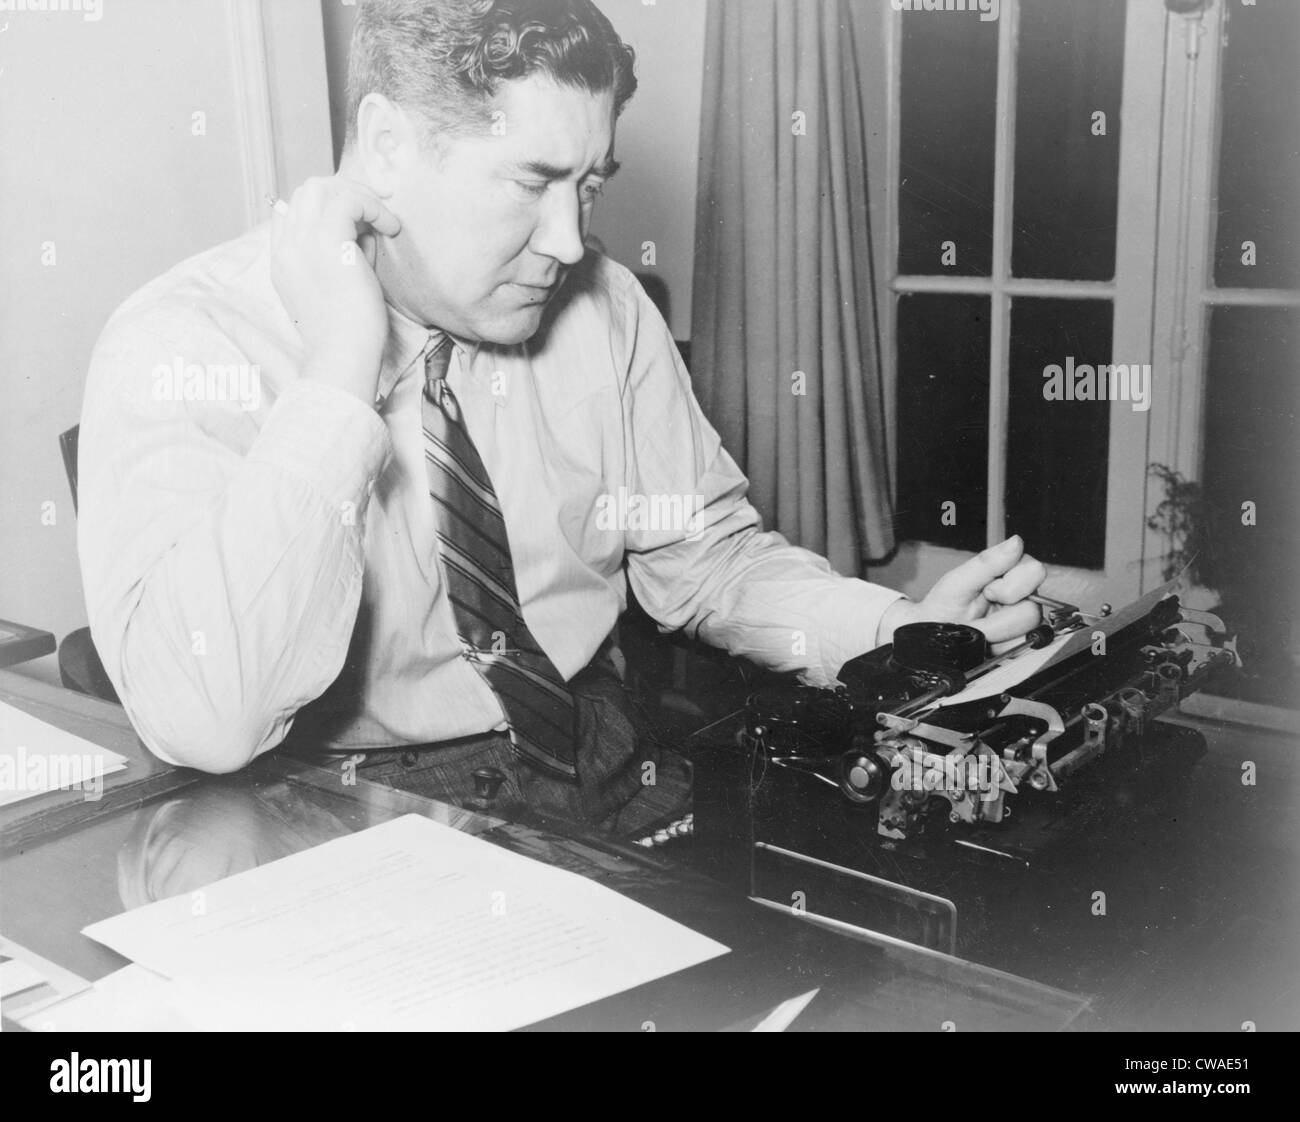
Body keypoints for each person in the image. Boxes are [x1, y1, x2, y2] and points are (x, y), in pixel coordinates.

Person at [77, 0, 1045, 837]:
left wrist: (895, 630)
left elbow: (711, 563)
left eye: (588, 186)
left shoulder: (606, 309)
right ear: (386, 148)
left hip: (607, 774)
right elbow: (205, 716)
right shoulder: (181, 345)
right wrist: (337, 374)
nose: (570, 240)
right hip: (343, 822)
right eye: (533, 182)